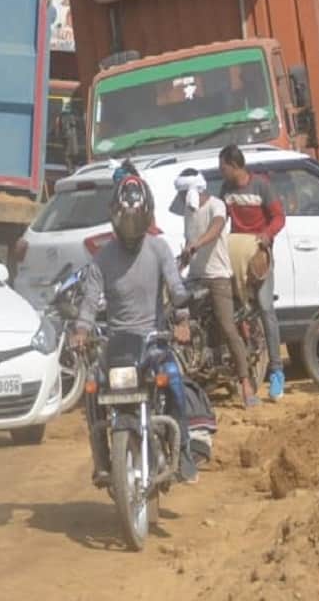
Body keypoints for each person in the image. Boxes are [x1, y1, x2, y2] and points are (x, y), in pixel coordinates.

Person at [73, 174, 197, 486]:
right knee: (92, 387)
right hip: (116, 345)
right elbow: (89, 300)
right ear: (114, 217)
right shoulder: (102, 257)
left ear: (147, 216)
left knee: (177, 384)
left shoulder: (159, 249)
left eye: (136, 221)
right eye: (123, 221)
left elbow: (175, 285)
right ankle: (102, 458)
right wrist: (81, 330)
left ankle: (183, 451)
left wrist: (182, 322)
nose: (129, 230)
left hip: (152, 342)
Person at [175, 168, 257, 408]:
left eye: (182, 195)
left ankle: (246, 385)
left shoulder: (216, 205)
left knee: (227, 326)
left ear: (191, 191)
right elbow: (189, 245)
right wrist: (182, 261)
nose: (180, 200)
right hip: (196, 276)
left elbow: (217, 227)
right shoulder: (188, 214)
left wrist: (197, 244)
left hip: (219, 276)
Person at [219, 144, 287, 401]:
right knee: (237, 312)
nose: (221, 171)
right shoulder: (226, 191)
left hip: (259, 259)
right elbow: (221, 219)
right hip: (236, 258)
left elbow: (279, 217)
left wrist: (266, 236)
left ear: (234, 166)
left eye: (223, 166)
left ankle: (278, 372)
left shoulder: (261, 186)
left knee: (266, 308)